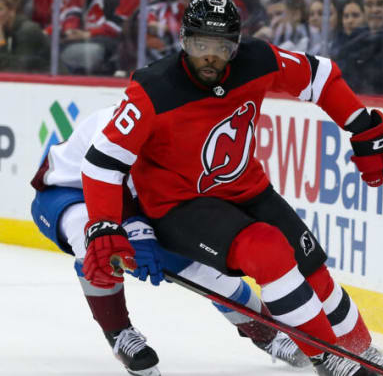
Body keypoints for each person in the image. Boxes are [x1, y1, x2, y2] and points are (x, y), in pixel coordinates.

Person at [79, 0, 383, 376]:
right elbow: (102, 162)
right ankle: (331, 358)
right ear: (184, 41)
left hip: (247, 188)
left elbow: (320, 77)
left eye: (222, 47)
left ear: (236, 46)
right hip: (180, 206)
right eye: (200, 45)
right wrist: (103, 224)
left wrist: (361, 125)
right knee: (268, 251)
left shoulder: (257, 59)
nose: (210, 57)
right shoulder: (153, 89)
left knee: (312, 267)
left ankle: (359, 349)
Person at [30, 107, 310, 376]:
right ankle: (117, 331)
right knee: (98, 245)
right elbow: (107, 184)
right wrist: (137, 235)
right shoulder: (118, 125)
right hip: (66, 194)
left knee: (203, 270)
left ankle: (266, 333)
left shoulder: (187, 132)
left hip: (136, 204)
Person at [0, 0, 49, 72]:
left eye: (0, 9)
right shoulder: (5, 29)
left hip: (55, 84)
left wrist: (1, 41)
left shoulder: (27, 31)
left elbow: (15, 71)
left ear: (12, 10)